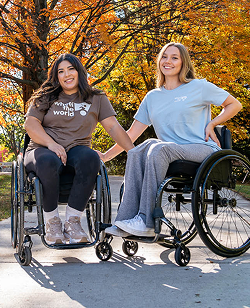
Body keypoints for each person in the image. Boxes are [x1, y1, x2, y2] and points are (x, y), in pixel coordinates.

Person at [97, 42, 242, 237]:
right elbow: (131, 135)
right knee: (137, 149)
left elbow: (234, 104)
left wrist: (212, 124)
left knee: (158, 147)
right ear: (159, 61)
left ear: (183, 63)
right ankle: (124, 220)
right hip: (169, 151)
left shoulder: (198, 87)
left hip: (202, 149)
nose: (168, 61)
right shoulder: (152, 97)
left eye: (174, 57)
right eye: (164, 56)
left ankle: (146, 222)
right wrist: (106, 156)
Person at [24, 53, 134, 245]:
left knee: (91, 157)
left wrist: (133, 152)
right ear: (56, 76)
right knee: (48, 160)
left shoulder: (96, 98)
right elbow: (31, 125)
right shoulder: (46, 95)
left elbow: (113, 127)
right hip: (42, 149)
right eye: (61, 71)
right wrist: (51, 144)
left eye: (71, 69)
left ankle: (72, 222)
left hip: (77, 148)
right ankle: (52, 223)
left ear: (79, 71)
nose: (66, 74)